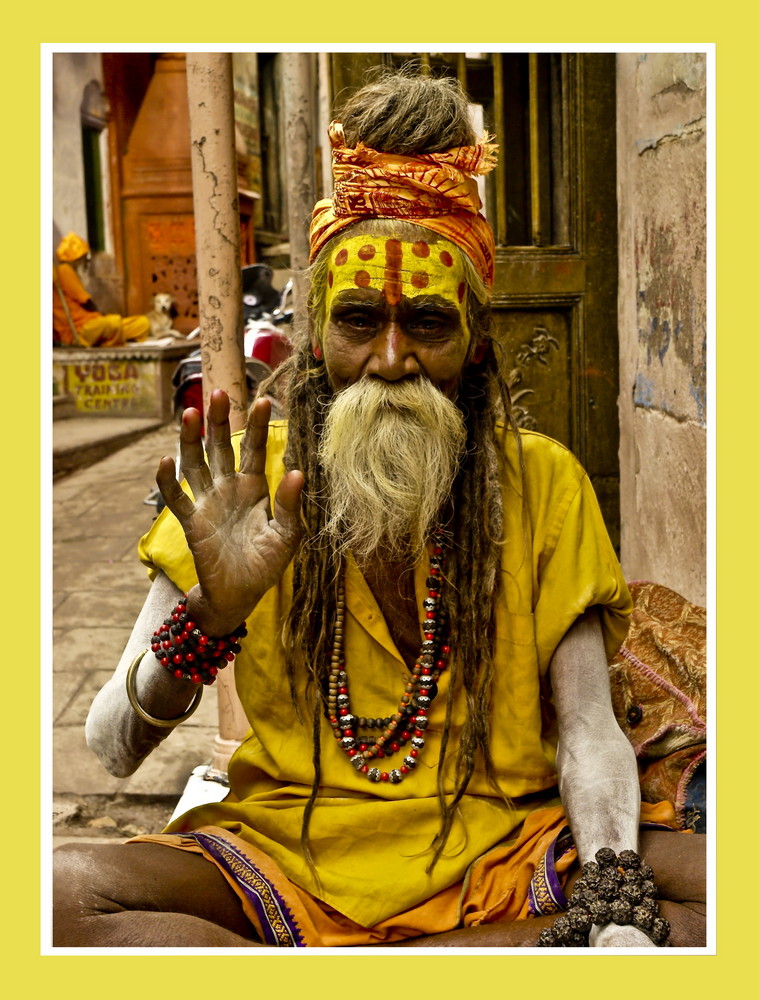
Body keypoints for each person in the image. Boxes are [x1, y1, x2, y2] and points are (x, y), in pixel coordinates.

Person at [53, 74, 706, 948]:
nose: (390, 360)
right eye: (359, 320)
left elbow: (588, 728)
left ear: (474, 345)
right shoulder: (249, 485)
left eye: (426, 325)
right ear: (316, 336)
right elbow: (112, 750)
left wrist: (614, 898)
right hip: (287, 849)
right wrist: (210, 617)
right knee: (58, 894)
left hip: (502, 849)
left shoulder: (541, 481)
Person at [53, 232, 150, 347]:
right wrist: (102, 316)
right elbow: (86, 301)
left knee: (142, 323)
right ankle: (110, 337)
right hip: (80, 330)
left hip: (92, 323)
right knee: (112, 323)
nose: (86, 262)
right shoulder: (64, 270)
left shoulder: (65, 271)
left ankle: (110, 336)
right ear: (77, 258)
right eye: (84, 258)